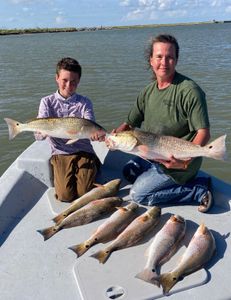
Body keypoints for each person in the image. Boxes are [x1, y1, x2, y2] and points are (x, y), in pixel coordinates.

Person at [110, 34, 213, 213]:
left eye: (169, 57)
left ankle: (197, 190)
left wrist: (184, 163)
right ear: (151, 60)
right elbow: (128, 123)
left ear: (176, 60)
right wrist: (113, 137)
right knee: (129, 171)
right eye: (159, 56)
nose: (164, 62)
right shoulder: (147, 92)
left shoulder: (190, 91)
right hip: (154, 155)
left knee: (138, 195)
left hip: (178, 163)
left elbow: (204, 133)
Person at [35, 57, 101, 202]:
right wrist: (41, 132)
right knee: (65, 196)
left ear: (78, 81)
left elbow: (90, 125)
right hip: (61, 151)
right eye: (64, 80)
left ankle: (94, 164)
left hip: (84, 150)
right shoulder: (46, 102)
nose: (68, 85)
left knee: (84, 193)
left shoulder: (85, 102)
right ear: (57, 78)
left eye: (73, 82)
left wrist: (95, 135)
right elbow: (38, 137)